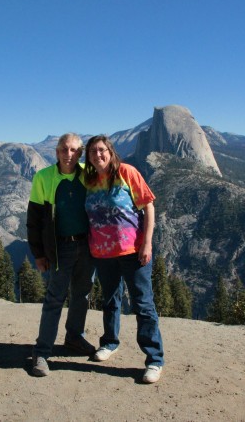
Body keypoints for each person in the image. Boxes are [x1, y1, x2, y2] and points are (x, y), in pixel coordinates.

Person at [83, 135, 164, 384]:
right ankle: (109, 343)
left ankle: (154, 360)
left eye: (102, 150)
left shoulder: (126, 172)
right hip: (102, 254)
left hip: (133, 252)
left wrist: (147, 243)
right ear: (88, 157)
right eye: (93, 151)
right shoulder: (89, 179)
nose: (98, 155)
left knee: (143, 305)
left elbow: (148, 205)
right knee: (109, 300)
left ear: (110, 151)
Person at [27, 133, 95, 377]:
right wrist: (39, 254)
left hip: (87, 246)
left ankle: (74, 338)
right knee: (55, 299)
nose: (69, 155)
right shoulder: (43, 177)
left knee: (82, 294)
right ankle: (42, 351)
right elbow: (33, 220)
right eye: (64, 150)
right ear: (57, 152)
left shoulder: (88, 172)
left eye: (75, 150)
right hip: (59, 248)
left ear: (81, 153)